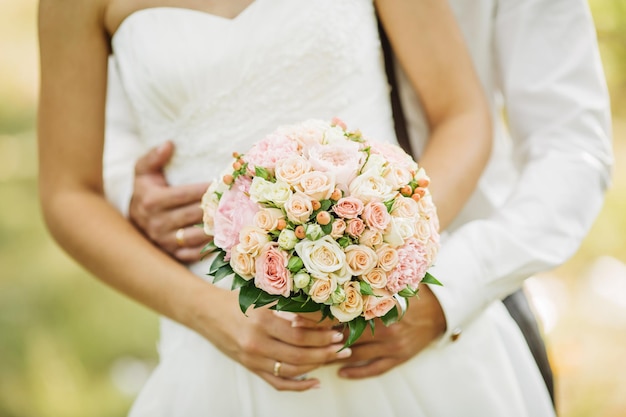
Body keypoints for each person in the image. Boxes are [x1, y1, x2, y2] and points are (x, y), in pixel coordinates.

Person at [38, 1, 556, 417]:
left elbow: (462, 115)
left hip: (395, 312)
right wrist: (215, 316)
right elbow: (68, 194)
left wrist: (386, 248)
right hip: (226, 335)